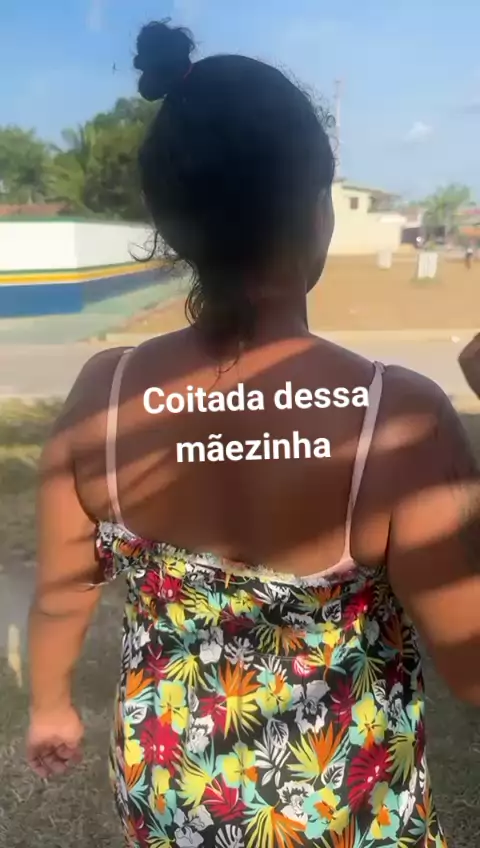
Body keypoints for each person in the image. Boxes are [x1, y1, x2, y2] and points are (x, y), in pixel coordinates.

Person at [27, 20, 480, 848]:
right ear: (317, 208)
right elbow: (472, 662)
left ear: (169, 221)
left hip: (170, 795)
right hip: (341, 810)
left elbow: (62, 588)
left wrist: (52, 705)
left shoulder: (105, 393)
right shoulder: (397, 418)